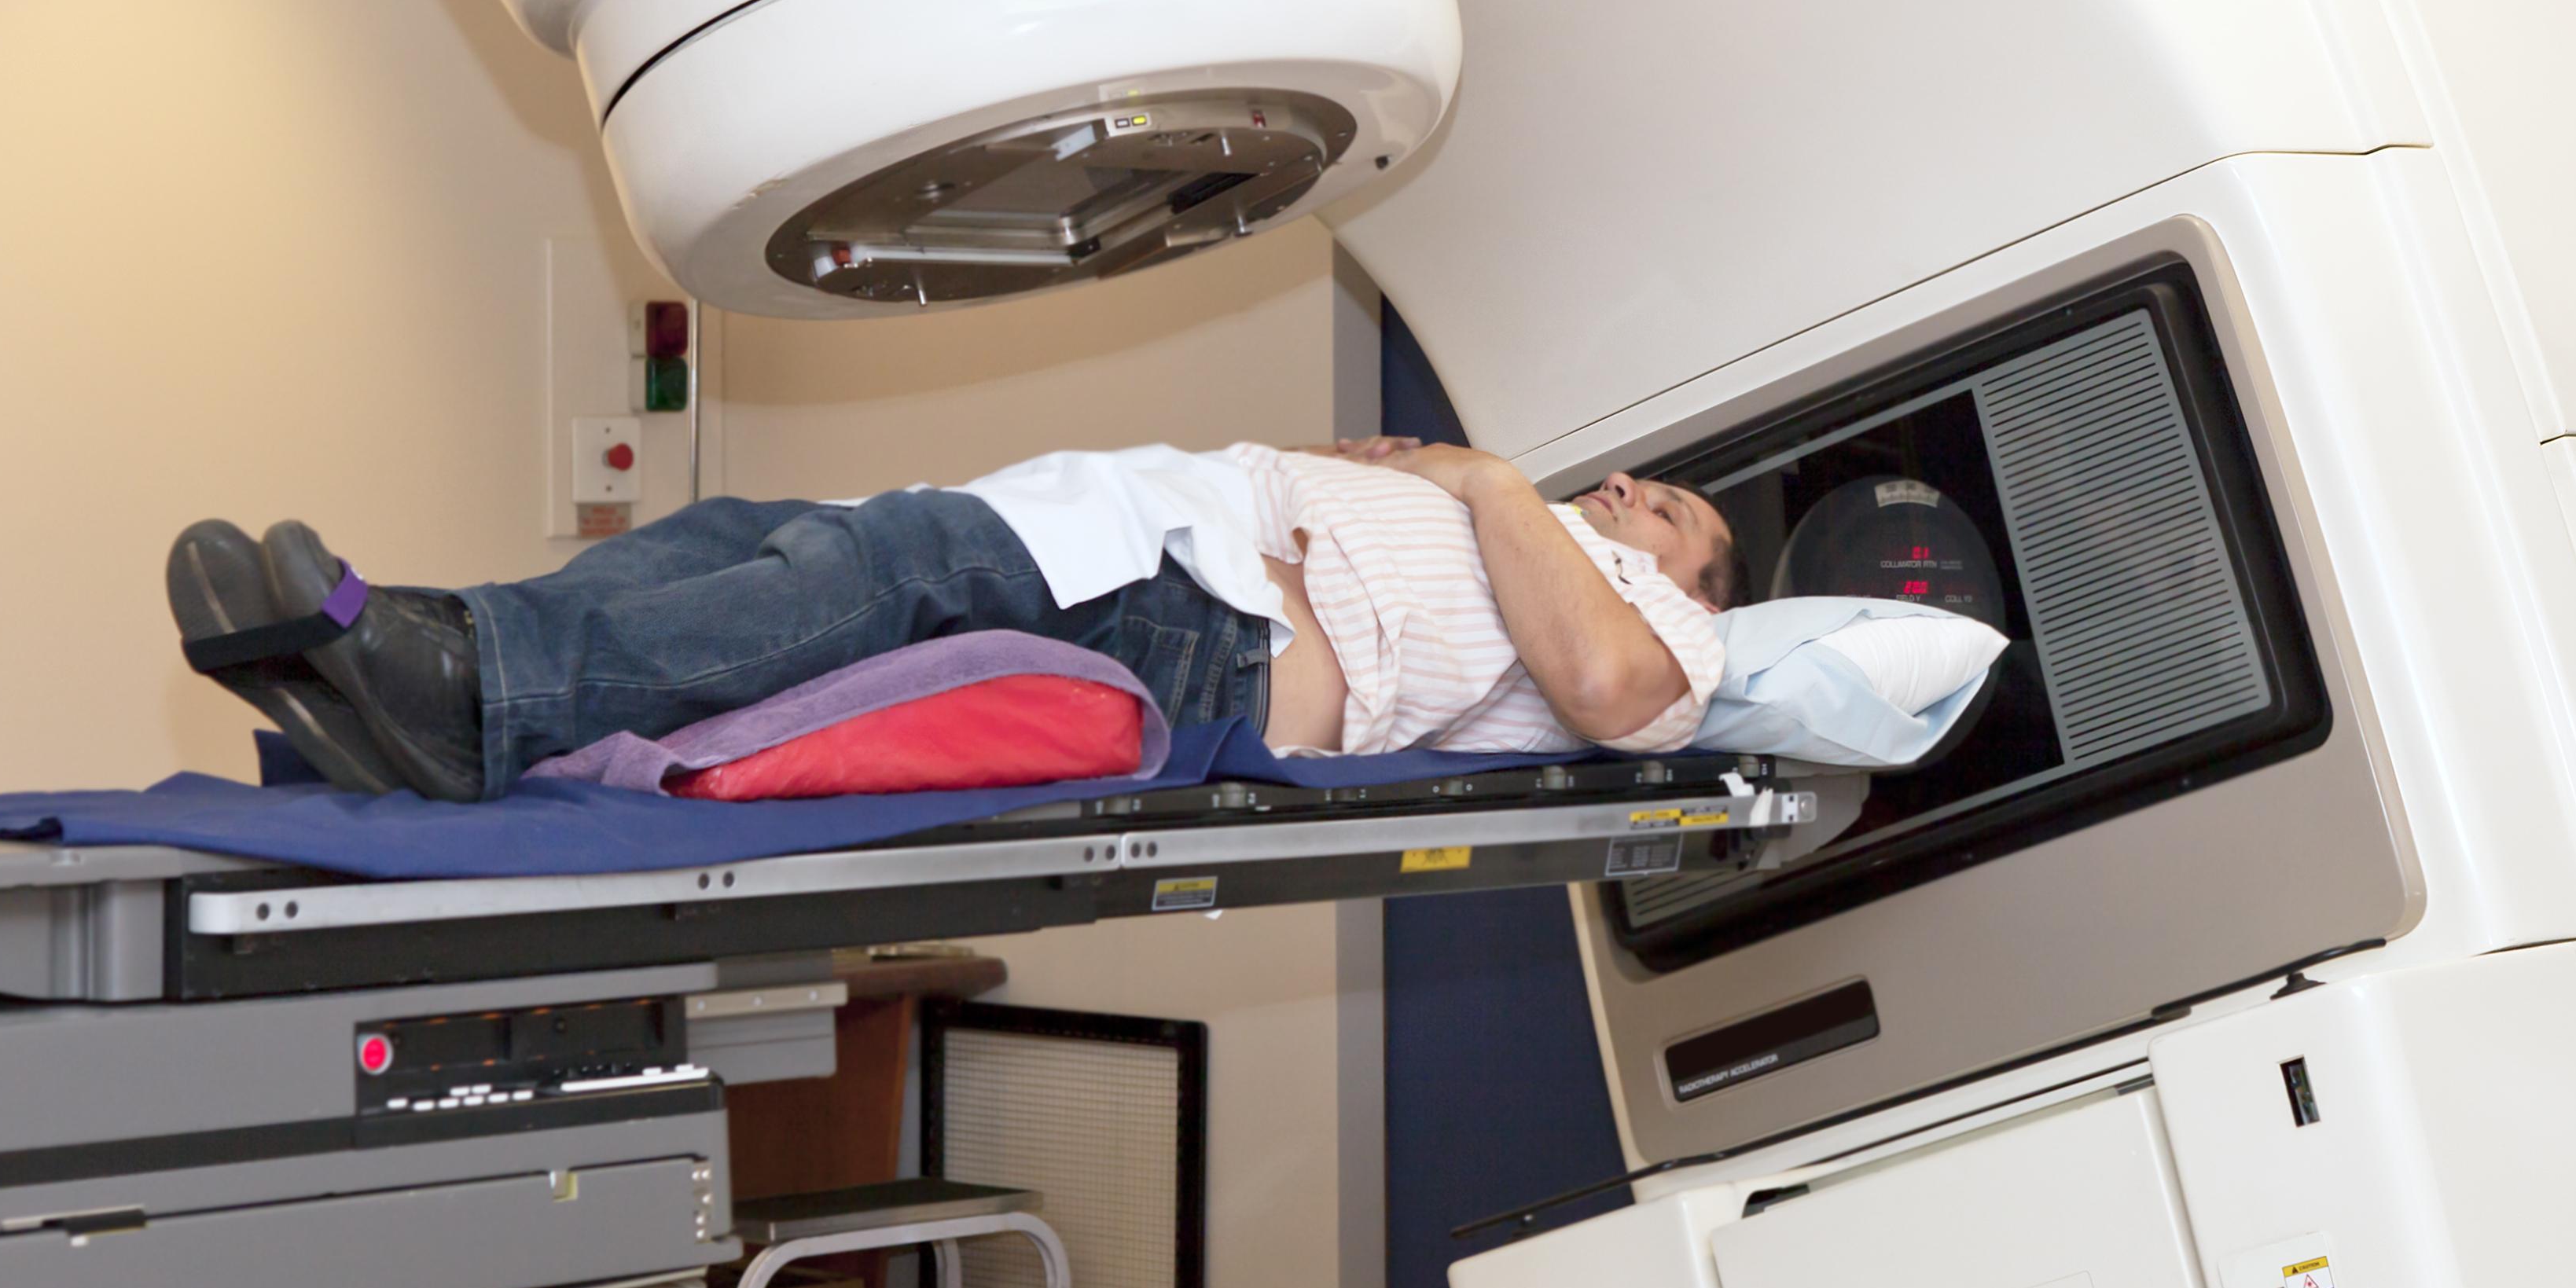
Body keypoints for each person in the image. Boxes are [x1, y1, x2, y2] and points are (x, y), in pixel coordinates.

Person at [169, 438, 1743, 803]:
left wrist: (1474, 479)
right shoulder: (1535, 529)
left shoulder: (1664, 635)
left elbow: (1605, 687)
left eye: (1667, 507)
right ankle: (406, 645)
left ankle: (461, 697)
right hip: (1156, 547)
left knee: (900, 559)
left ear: (1699, 584)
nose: (1625, 489)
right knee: (754, 539)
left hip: (1210, 637)